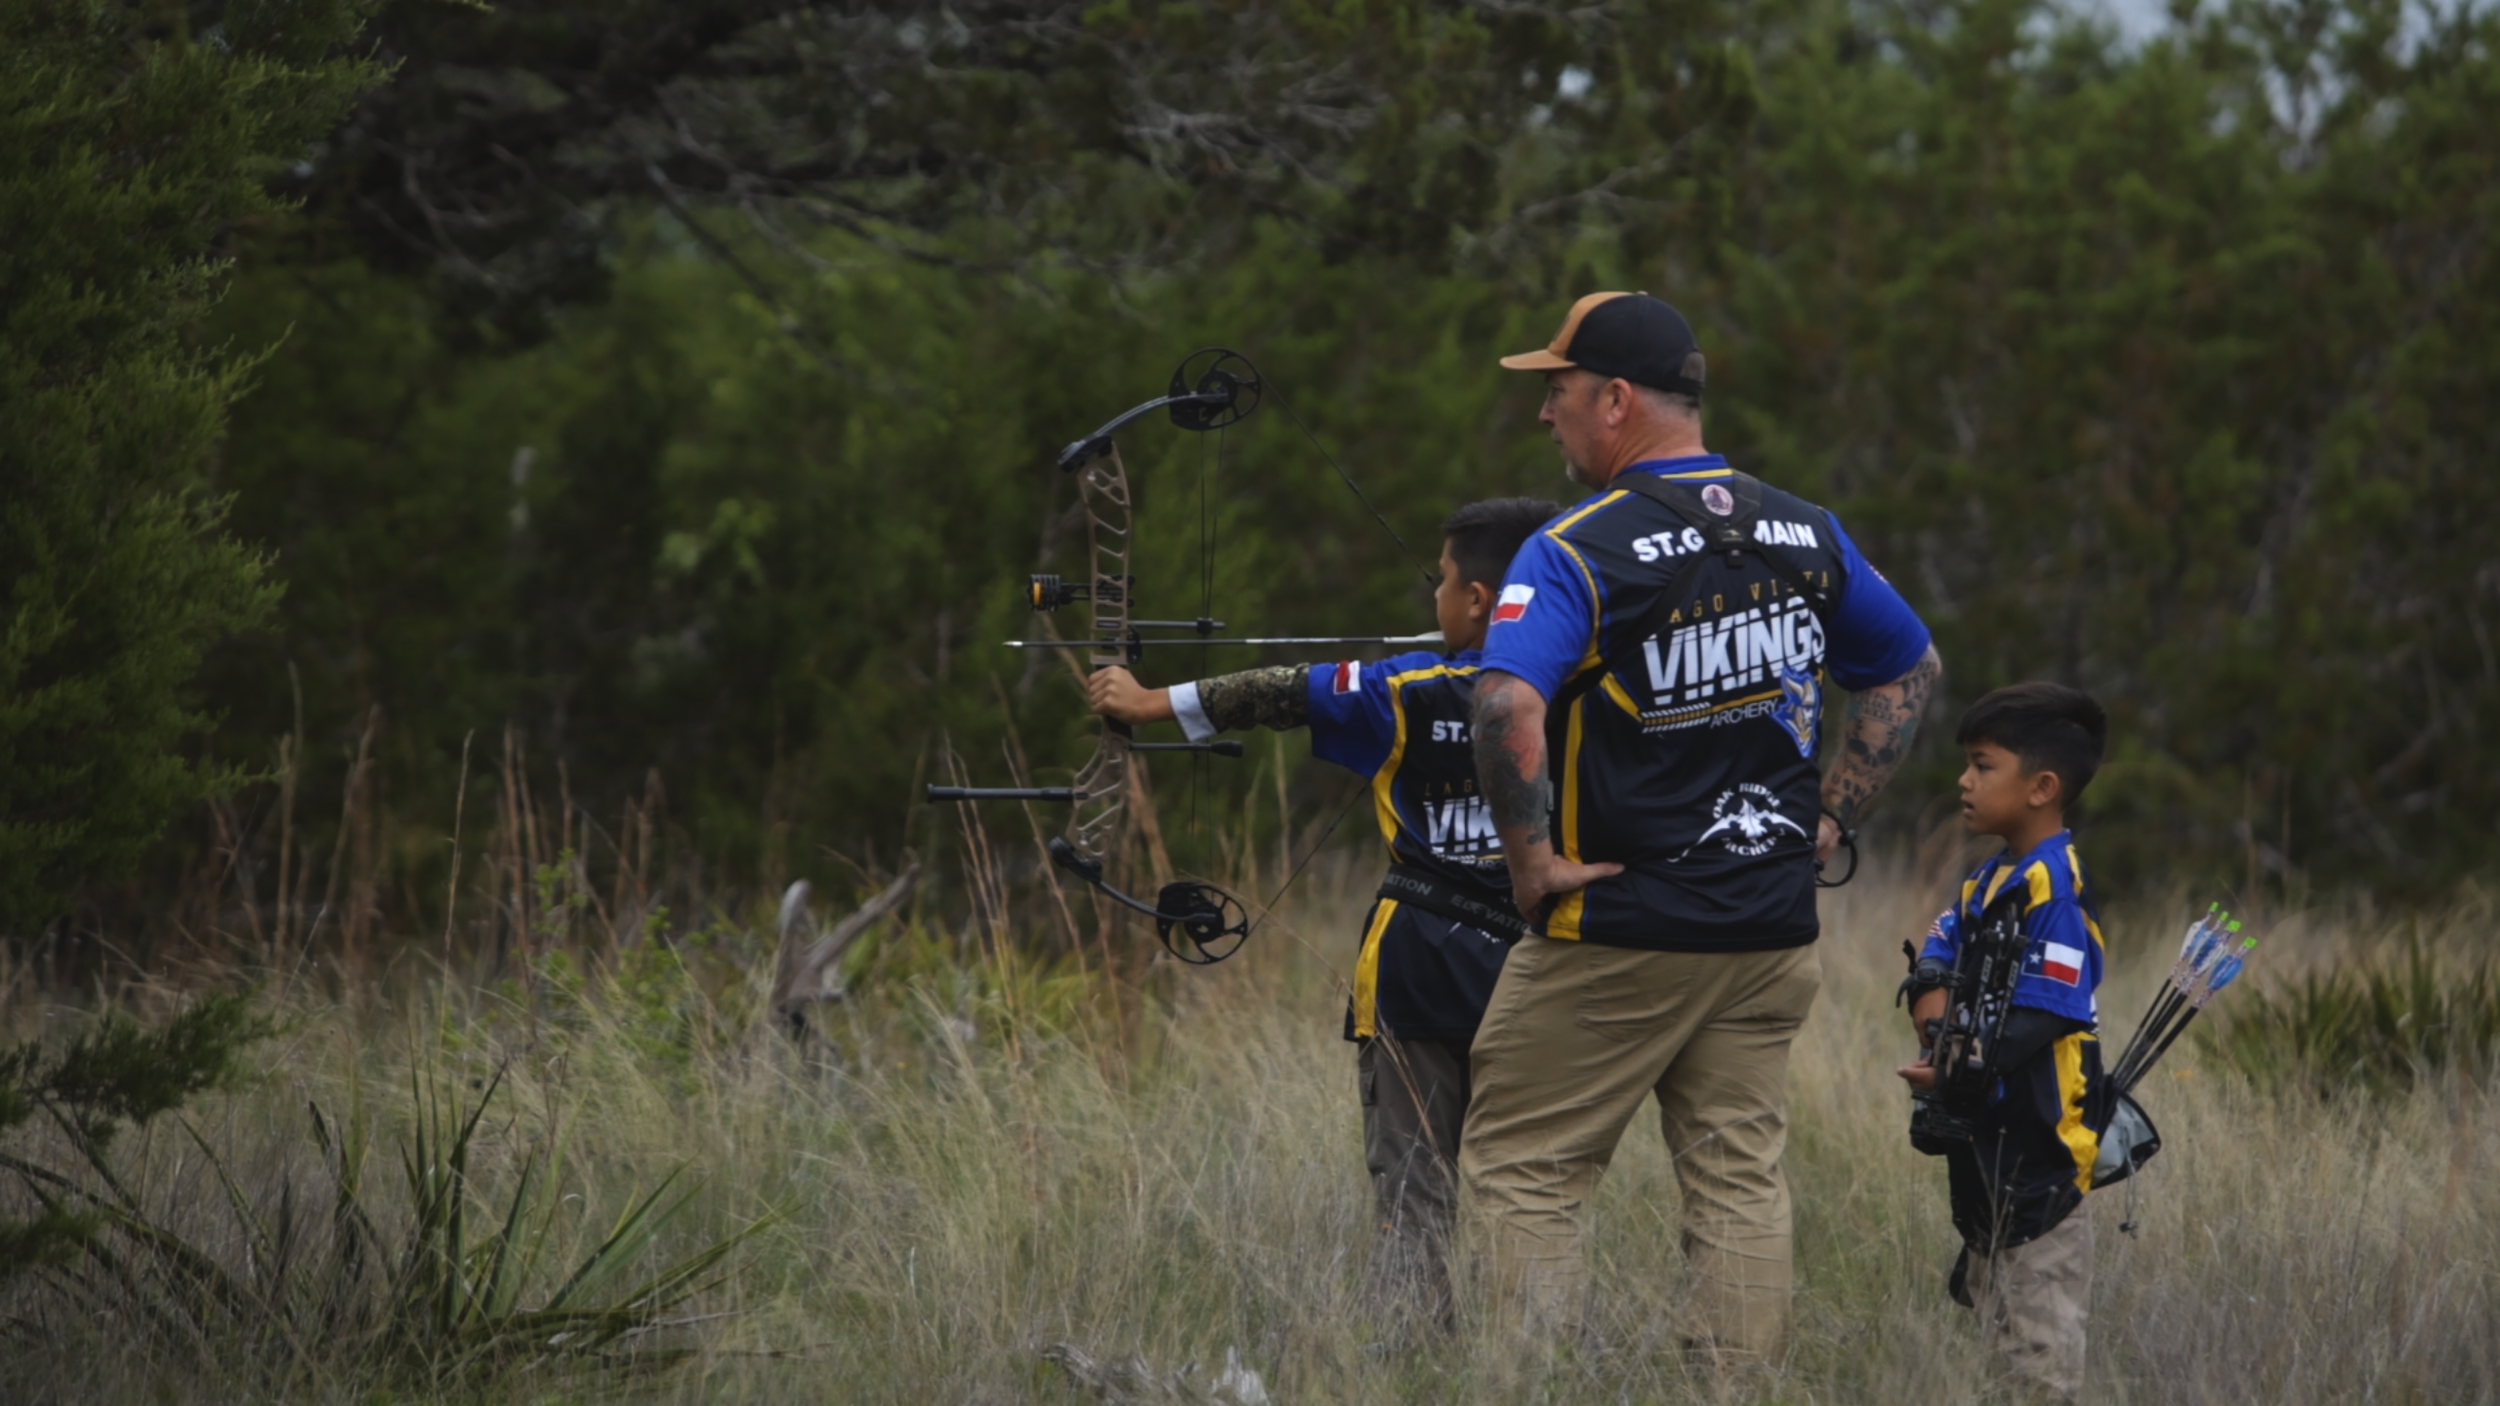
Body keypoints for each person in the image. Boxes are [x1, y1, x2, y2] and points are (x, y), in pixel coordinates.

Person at [1460, 291, 1944, 1364]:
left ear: (1616, 399)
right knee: (1736, 1175)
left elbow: (1501, 703)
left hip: (1623, 924)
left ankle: (1520, 1387)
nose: (1547, 415)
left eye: (1558, 390)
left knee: (1525, 1167)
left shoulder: (1575, 545)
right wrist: (1829, 811)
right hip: (1767, 929)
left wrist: (1530, 858)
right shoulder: (1804, 527)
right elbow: (1908, 667)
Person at [1088, 496, 1562, 1326]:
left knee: (1416, 1194)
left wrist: (1144, 701)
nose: (1435, 600)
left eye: (1443, 582)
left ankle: (1414, 1362)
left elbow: (1277, 691)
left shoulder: (1405, 691)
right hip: (1547, 972)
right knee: (1537, 1194)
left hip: (1418, 975)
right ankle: (1542, 1357)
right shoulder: (1589, 694)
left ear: (1481, 599)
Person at [1898, 683, 2111, 1399]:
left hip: (2042, 1176)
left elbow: (2044, 1016)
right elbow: (1934, 954)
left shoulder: (2056, 892)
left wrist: (1955, 1067)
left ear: (2041, 787)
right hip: (1989, 1170)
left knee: (2038, 1368)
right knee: (1998, 1349)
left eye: (1983, 765)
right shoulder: (1988, 881)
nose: (1964, 780)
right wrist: (1940, 1035)